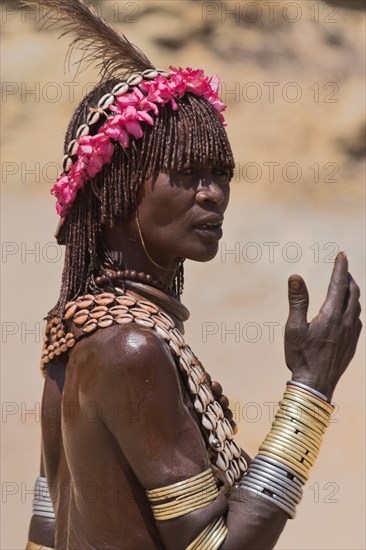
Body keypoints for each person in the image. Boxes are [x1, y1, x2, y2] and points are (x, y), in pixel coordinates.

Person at [24, 1, 362, 549]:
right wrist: (311, 386)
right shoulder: (129, 350)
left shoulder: (73, 342)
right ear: (113, 188)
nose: (213, 194)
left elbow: (43, 534)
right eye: (186, 173)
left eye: (220, 175)